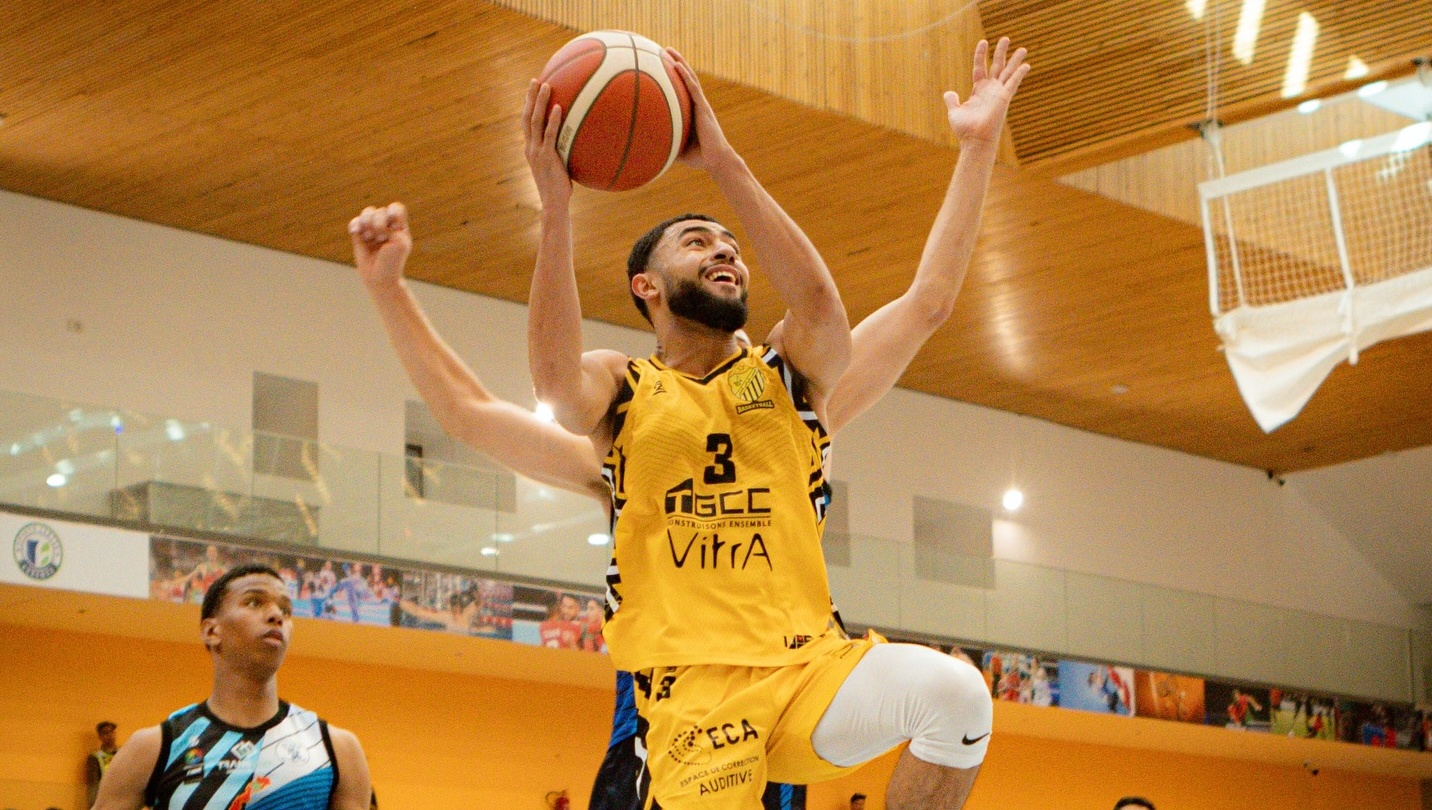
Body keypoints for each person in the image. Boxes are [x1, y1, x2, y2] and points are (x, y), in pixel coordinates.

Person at [351, 37, 1027, 810]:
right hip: (692, 709)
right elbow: (497, 403)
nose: (726, 253)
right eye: (698, 242)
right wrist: (422, 273)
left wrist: (971, 147)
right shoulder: (623, 402)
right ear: (646, 285)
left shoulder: (799, 383)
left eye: (732, 246)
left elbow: (919, 300)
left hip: (811, 672)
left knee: (957, 696)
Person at [90, 564, 373, 809]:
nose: (276, 615)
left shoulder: (337, 749)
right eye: (254, 602)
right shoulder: (155, 747)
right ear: (212, 631)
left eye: (285, 609)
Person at [86, 721, 119, 807]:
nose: (110, 735)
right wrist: (93, 806)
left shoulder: (124, 753)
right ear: (100, 737)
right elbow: (93, 785)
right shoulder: (95, 757)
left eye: (111, 732)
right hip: (106, 801)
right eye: (105, 733)